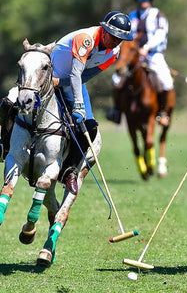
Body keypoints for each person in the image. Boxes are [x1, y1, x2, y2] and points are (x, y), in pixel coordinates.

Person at [0, 11, 133, 193]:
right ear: (104, 30)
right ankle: (4, 145)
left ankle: (69, 170)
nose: (116, 41)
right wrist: (76, 103)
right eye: (113, 36)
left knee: (90, 127)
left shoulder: (114, 53)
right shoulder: (85, 39)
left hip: (70, 83)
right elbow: (76, 72)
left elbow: (86, 75)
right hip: (44, 75)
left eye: (120, 38)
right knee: (8, 103)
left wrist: (63, 87)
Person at [107, 0, 175, 127]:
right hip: (133, 56)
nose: (143, 1)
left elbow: (161, 35)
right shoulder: (131, 16)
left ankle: (163, 113)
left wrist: (147, 47)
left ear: (150, 0)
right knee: (117, 78)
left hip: (153, 54)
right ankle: (116, 110)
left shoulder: (158, 15)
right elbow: (127, 36)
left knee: (165, 80)